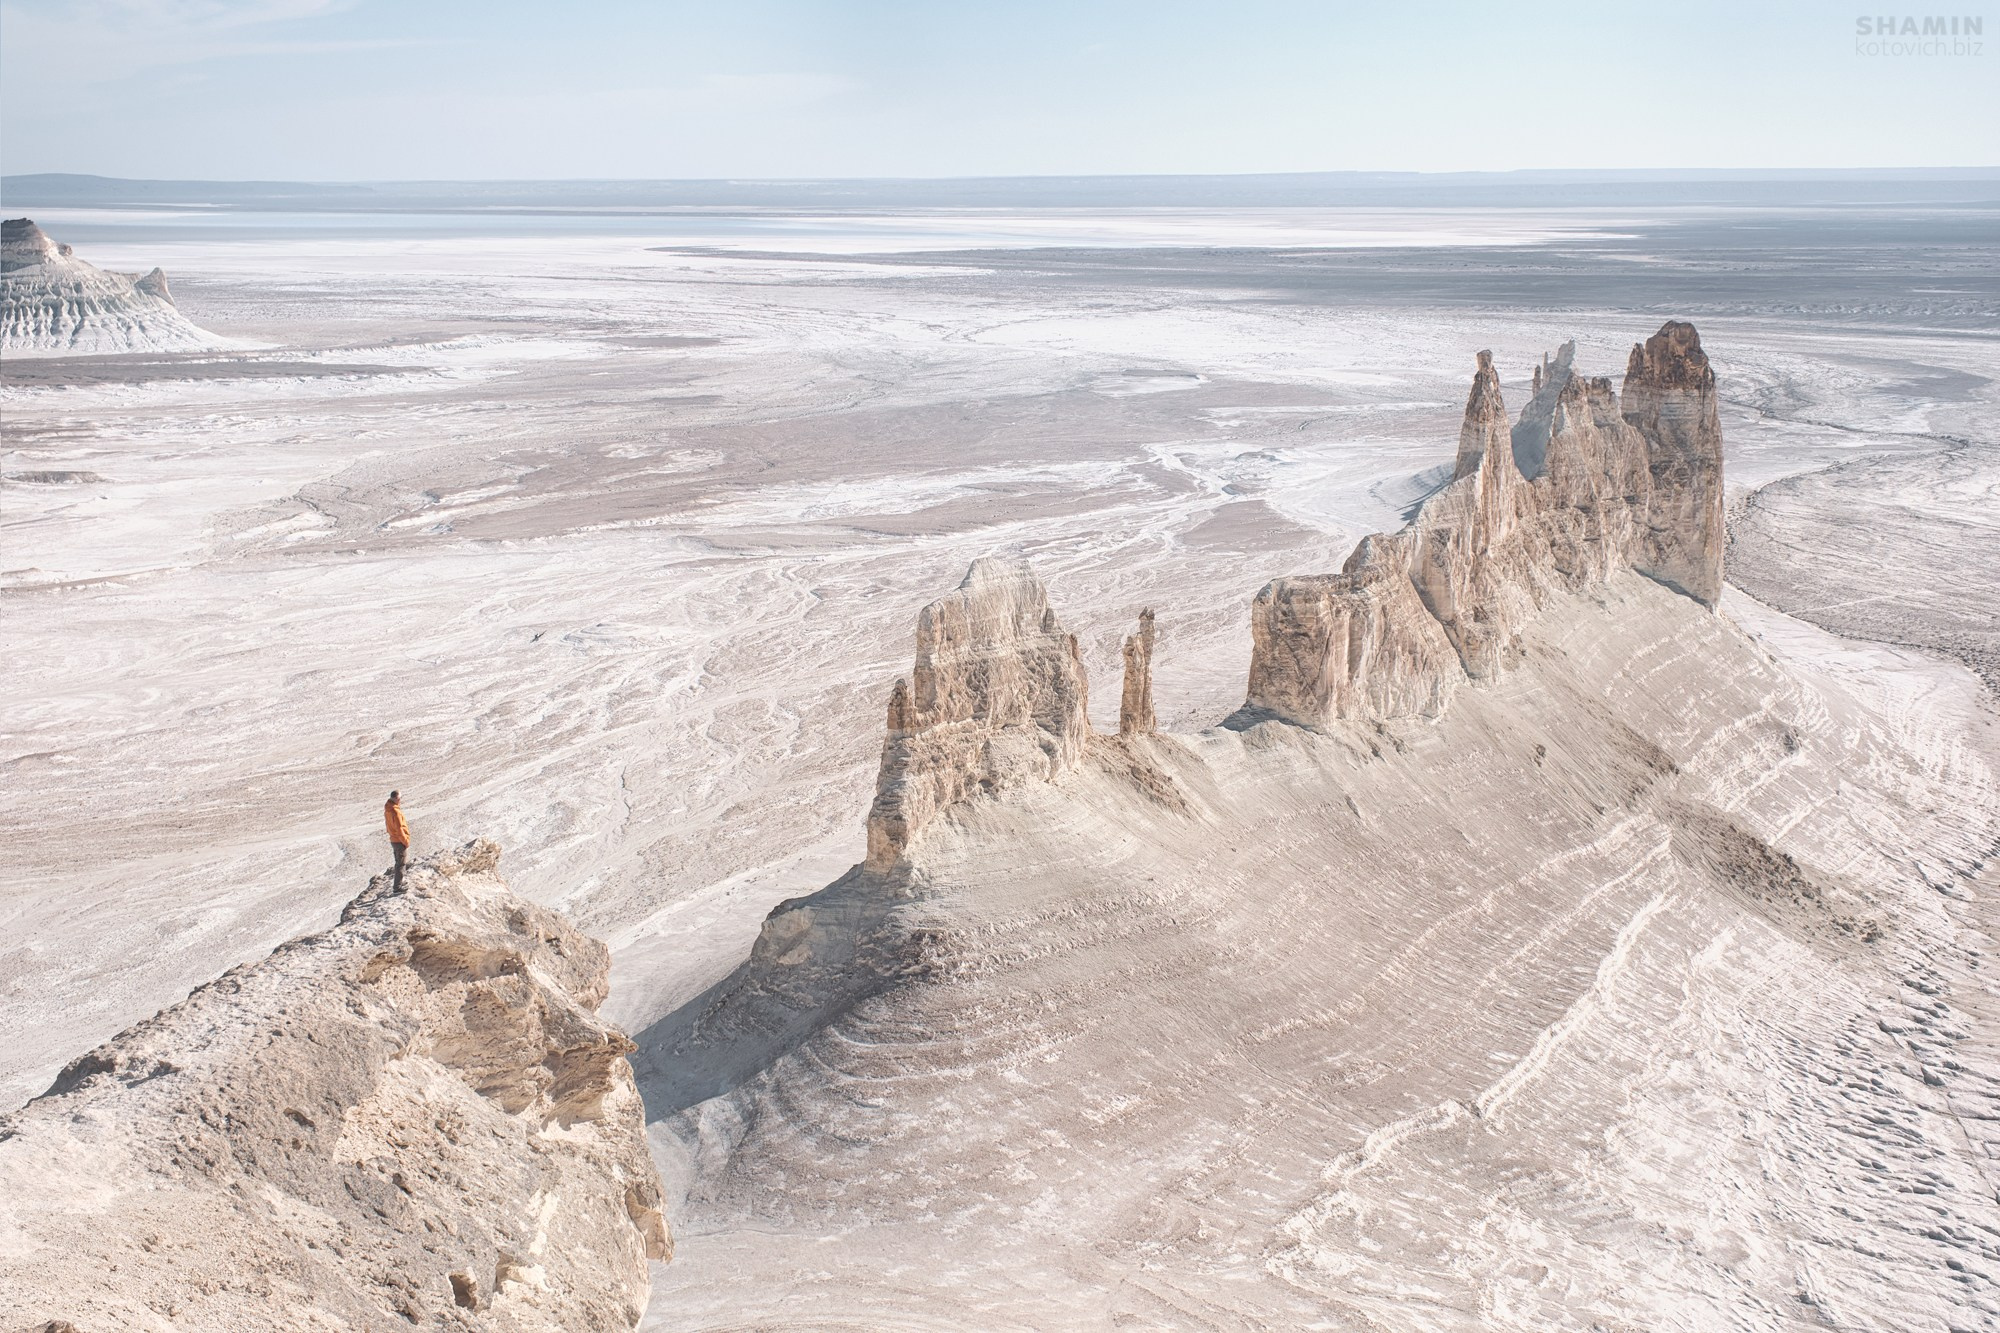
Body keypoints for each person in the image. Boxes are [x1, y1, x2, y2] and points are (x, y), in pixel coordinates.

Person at [384, 790, 410, 891]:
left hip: (393, 839)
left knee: (398, 862)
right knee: (401, 864)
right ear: (396, 798)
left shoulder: (388, 809)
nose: (400, 801)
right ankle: (397, 887)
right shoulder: (395, 811)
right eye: (399, 799)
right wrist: (405, 841)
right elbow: (399, 828)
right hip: (399, 840)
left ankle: (400, 883)